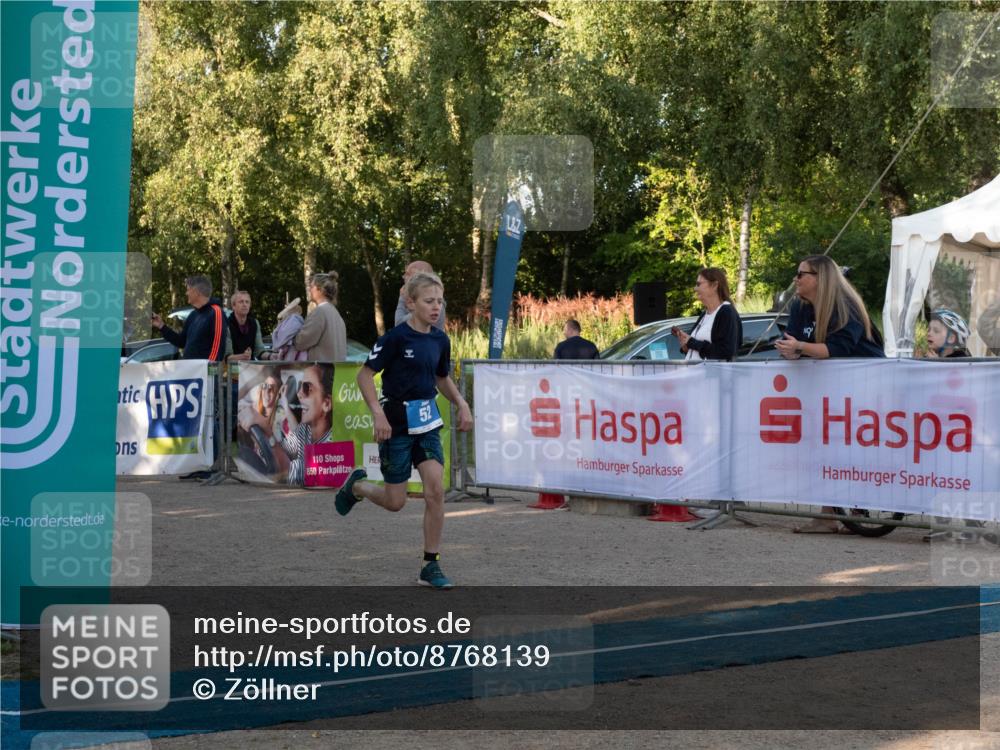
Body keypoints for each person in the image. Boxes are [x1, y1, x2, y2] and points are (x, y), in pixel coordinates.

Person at [335, 271, 473, 589]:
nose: (436, 307)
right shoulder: (395, 338)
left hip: (426, 422)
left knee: (435, 490)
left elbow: (441, 378)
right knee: (396, 502)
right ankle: (357, 487)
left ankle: (430, 563)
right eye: (429, 301)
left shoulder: (440, 339)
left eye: (439, 301)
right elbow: (364, 376)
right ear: (411, 303)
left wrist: (462, 403)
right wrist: (377, 414)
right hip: (395, 423)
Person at [775, 255, 885, 533]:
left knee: (852, 448)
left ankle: (848, 508)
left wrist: (800, 347)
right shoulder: (801, 306)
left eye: (801, 274)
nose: (796, 279)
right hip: (832, 388)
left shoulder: (846, 305)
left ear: (820, 278)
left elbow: (836, 349)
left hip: (868, 384)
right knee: (826, 446)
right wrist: (791, 350)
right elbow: (796, 342)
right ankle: (827, 515)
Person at [278, 363, 335, 486]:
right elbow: (281, 453)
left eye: (307, 388)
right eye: (300, 386)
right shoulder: (305, 430)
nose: (299, 394)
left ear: (326, 404)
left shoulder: (334, 442)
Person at [151, 275, 228, 361]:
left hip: (204, 372)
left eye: (188, 290)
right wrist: (161, 326)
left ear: (197, 292)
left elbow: (217, 349)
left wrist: (207, 372)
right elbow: (181, 342)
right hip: (190, 371)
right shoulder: (193, 315)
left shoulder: (216, 312)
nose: (186, 293)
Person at [673, 268, 743, 361]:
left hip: (710, 375)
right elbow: (700, 351)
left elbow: (725, 352)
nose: (695, 288)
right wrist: (686, 346)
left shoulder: (726, 312)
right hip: (694, 373)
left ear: (714, 285)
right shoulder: (704, 314)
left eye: (699, 284)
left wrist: (691, 342)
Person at [236, 366, 290, 477]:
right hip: (255, 469)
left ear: (278, 393)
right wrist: (256, 380)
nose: (267, 391)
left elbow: (288, 462)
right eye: (265, 386)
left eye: (272, 388)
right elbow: (234, 400)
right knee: (243, 451)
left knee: (244, 453)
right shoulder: (255, 410)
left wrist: (266, 427)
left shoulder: (284, 420)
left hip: (273, 472)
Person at [295, 272, 347, 362]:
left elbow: (300, 343)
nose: (309, 290)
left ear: (320, 289)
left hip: (320, 373)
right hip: (334, 372)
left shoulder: (319, 312)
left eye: (311, 287)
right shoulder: (337, 315)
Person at [395, 260, 447, 330]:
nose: (404, 276)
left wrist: (402, 298)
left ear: (420, 276)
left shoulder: (427, 303)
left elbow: (399, 324)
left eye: (408, 274)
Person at [226, 290, 265, 362]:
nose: (245, 304)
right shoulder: (226, 324)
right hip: (232, 369)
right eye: (241, 302)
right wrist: (243, 356)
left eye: (247, 302)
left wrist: (271, 356)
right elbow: (227, 358)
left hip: (250, 368)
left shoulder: (255, 323)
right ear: (233, 306)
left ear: (250, 305)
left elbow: (259, 352)